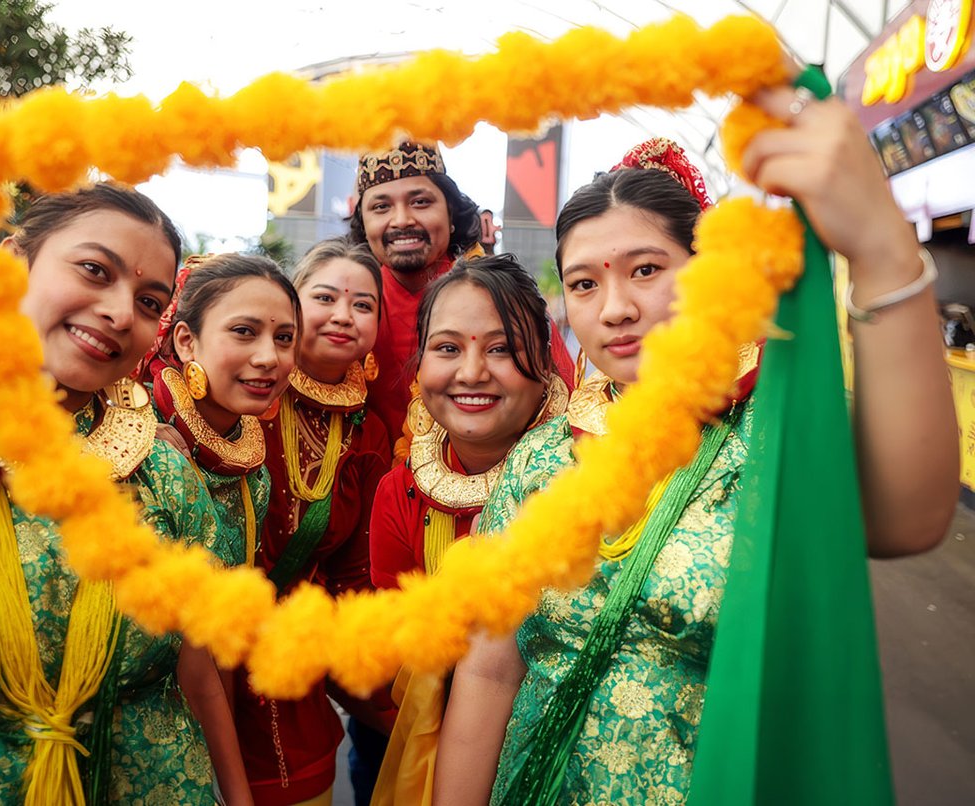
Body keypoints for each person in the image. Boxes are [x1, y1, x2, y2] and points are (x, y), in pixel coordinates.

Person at [434, 88, 959, 805]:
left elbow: (912, 517)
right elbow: (493, 668)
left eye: (645, 270)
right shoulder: (541, 459)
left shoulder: (777, 432)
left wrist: (882, 253)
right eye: (584, 283)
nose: (615, 308)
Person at [0, 106, 254, 804]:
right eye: (95, 270)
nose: (122, 312)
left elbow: (198, 667)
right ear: (10, 265)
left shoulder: (167, 478)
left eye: (150, 301)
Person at [367, 253, 569, 804]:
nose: (472, 372)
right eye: (448, 348)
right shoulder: (400, 492)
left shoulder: (592, 479)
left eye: (501, 348)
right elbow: (397, 664)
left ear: (547, 364)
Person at [233, 238, 393, 806]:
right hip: (196, 639)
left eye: (364, 305)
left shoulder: (369, 434)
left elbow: (354, 575)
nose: (344, 316)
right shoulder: (241, 391)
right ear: (291, 307)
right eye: (324, 297)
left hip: (291, 657)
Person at [348, 142, 576, 442]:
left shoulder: (502, 294)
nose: (401, 219)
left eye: (420, 202)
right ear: (363, 224)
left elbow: (565, 402)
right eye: (381, 207)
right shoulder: (348, 303)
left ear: (451, 213)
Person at [143, 252, 300, 572]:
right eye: (244, 331)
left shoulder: (256, 475)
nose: (269, 357)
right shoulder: (131, 437)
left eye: (284, 338)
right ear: (186, 342)